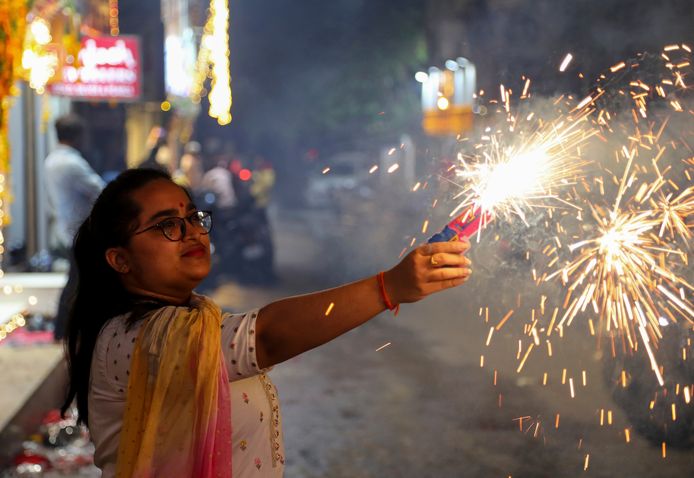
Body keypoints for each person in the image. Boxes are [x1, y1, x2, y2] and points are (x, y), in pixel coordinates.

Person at [61, 168, 472, 478]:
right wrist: (389, 287)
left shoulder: (193, 316)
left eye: (192, 217)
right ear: (120, 259)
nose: (191, 232)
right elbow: (268, 336)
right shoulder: (132, 338)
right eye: (167, 224)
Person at [44, 113, 105, 341]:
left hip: (68, 228)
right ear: (78, 136)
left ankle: (65, 330)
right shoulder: (72, 163)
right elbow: (101, 191)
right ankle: (66, 331)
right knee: (79, 283)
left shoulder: (51, 161)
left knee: (78, 281)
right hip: (82, 230)